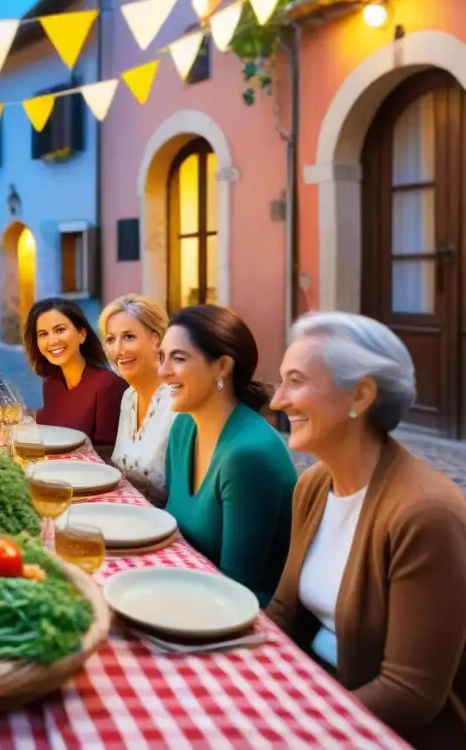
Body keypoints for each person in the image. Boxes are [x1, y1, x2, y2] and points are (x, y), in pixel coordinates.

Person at [266, 312, 466, 748]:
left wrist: (295, 734)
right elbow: (283, 611)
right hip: (310, 696)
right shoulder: (315, 485)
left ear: (360, 393)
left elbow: (410, 694)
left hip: (375, 731)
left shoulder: (426, 514)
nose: (278, 400)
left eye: (296, 382)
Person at [160, 305, 296, 606]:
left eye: (178, 358)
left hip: (241, 619)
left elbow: (238, 587)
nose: (162, 371)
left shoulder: (248, 456)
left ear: (222, 367)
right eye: (162, 357)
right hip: (188, 588)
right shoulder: (184, 426)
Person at [101, 294, 177, 507]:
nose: (118, 350)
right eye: (110, 339)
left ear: (156, 340)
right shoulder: (129, 397)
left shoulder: (179, 404)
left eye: (129, 337)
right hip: (127, 513)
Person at [26, 297, 126, 456]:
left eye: (60, 330)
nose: (52, 341)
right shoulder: (52, 384)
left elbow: (109, 453)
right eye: (43, 334)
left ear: (82, 334)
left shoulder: (108, 385)